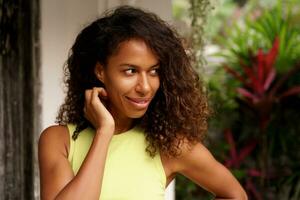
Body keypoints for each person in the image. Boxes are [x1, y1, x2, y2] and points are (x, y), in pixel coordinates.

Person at [38, 5, 248, 200]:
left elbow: (235, 195)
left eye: (154, 71)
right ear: (100, 71)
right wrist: (104, 132)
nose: (145, 87)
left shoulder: (169, 146)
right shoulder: (60, 141)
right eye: (130, 71)